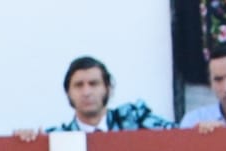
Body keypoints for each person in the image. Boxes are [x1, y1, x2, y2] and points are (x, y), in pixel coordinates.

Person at [14, 56, 174, 140]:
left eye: (94, 83)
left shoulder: (133, 118)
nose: (86, 92)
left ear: (109, 89)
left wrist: (198, 129)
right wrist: (24, 141)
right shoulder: (57, 137)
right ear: (68, 93)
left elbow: (178, 134)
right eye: (78, 85)